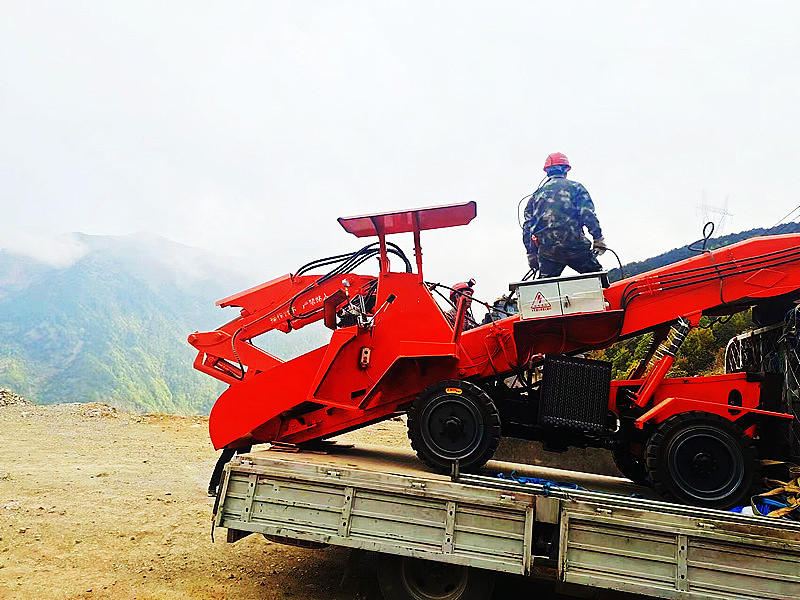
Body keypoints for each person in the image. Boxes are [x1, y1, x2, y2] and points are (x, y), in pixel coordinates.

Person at [522, 152, 607, 278]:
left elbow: (527, 228)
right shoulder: (575, 187)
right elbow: (587, 214)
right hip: (576, 246)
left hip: (548, 251)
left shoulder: (535, 196)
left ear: (547, 172)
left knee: (546, 290)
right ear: (566, 169)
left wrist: (531, 254)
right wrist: (598, 239)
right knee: (599, 281)